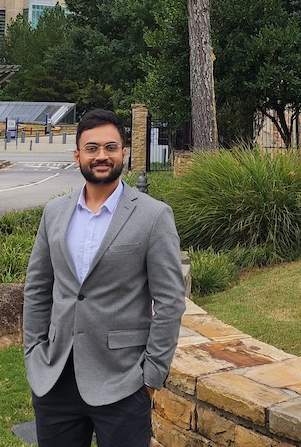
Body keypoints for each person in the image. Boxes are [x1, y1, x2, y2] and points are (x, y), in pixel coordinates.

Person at [23, 109, 186, 447]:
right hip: (55, 379)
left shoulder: (153, 216)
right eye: (92, 148)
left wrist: (151, 377)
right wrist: (34, 353)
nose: (101, 156)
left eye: (110, 147)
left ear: (124, 152)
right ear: (77, 156)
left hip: (123, 381)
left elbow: (170, 301)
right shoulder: (54, 213)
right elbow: (37, 289)